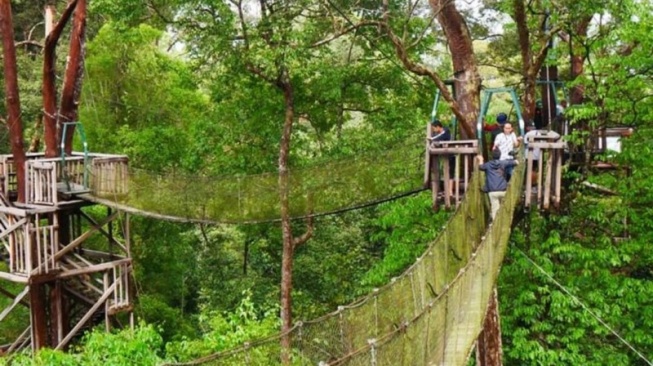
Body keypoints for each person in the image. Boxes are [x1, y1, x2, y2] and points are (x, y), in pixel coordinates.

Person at [477, 148, 518, 220]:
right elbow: (516, 162)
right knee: (505, 206)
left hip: (492, 191)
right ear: (500, 155)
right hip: (503, 190)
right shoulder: (503, 163)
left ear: (491, 156)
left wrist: (480, 159)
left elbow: (480, 167)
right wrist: (515, 156)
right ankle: (505, 218)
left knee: (495, 208)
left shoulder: (488, 165)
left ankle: (495, 223)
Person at [429, 120, 455, 196]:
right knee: (446, 173)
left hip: (450, 155)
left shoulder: (446, 131)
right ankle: (447, 190)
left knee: (450, 174)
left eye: (434, 128)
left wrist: (431, 139)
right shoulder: (442, 133)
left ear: (438, 127)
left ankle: (450, 191)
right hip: (446, 156)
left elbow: (437, 138)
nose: (434, 130)